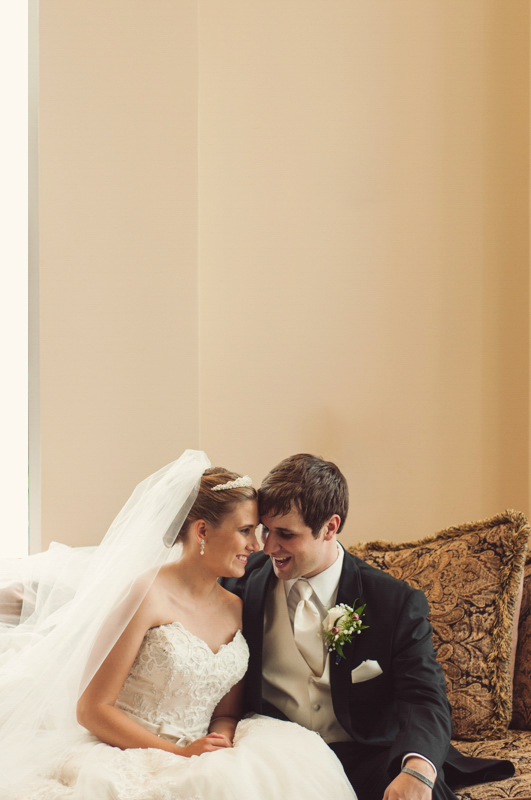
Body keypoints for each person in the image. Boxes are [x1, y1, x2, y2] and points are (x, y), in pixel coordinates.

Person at [0, 450, 356, 800]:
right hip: (128, 751)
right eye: (246, 530)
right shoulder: (147, 593)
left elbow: (226, 712)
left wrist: (219, 741)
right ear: (202, 530)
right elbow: (91, 710)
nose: (257, 545)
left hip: (201, 753)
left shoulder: (236, 606)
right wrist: (179, 754)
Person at [222, 454, 515, 800]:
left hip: (366, 754)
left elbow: (424, 696)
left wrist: (418, 769)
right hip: (278, 755)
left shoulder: (394, 601)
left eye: (285, 534)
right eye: (265, 530)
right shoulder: (238, 581)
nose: (268, 546)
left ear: (330, 527)